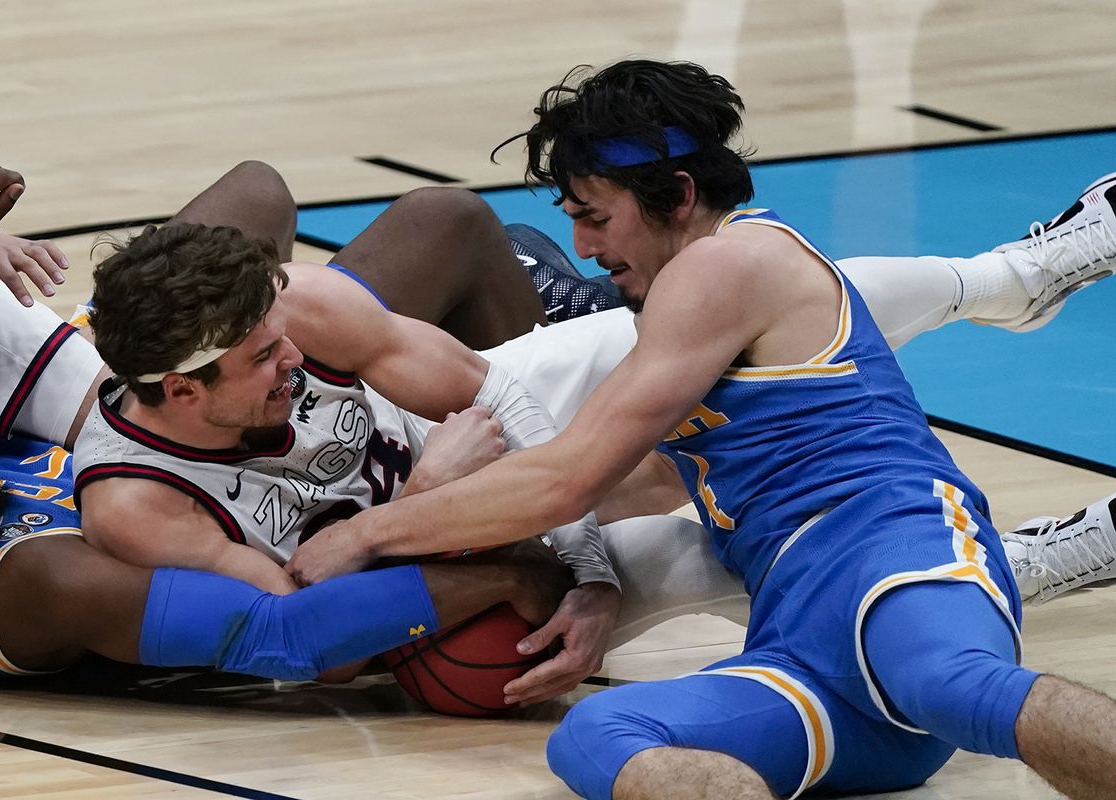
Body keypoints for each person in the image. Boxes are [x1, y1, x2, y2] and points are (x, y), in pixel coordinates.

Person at [289, 60, 1116, 798]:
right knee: (598, 735)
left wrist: (371, 534)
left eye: (595, 216)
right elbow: (639, 479)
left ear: (678, 197)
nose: (580, 245)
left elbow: (564, 478)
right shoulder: (688, 308)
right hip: (803, 645)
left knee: (949, 682)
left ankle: (1022, 282)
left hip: (890, 552)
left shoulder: (728, 262)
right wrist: (586, 579)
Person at [0, 156, 572, 682]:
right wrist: (437, 516)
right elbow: (310, 642)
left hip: (164, 391)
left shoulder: (285, 326)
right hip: (368, 495)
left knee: (369, 207)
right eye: (263, 351)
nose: (292, 356)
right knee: (447, 222)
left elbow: (507, 405)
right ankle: (539, 309)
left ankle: (537, 315)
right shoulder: (95, 542)